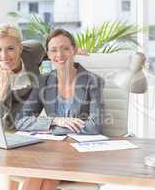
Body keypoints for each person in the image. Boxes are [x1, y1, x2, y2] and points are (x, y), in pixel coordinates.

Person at [15, 28, 104, 190]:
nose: (59, 55)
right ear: (48, 55)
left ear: (74, 50)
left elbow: (95, 125)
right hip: (53, 152)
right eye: (54, 50)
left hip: (81, 152)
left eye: (65, 48)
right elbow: (21, 120)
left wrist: (52, 129)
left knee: (42, 173)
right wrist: (56, 120)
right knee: (45, 176)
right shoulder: (44, 81)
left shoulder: (93, 81)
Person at [0, 24, 45, 130]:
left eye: (10, 49)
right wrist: (3, 86)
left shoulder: (34, 50)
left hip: (34, 119)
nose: (4, 56)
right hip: (7, 125)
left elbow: (54, 55)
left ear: (20, 48)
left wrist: (74, 52)